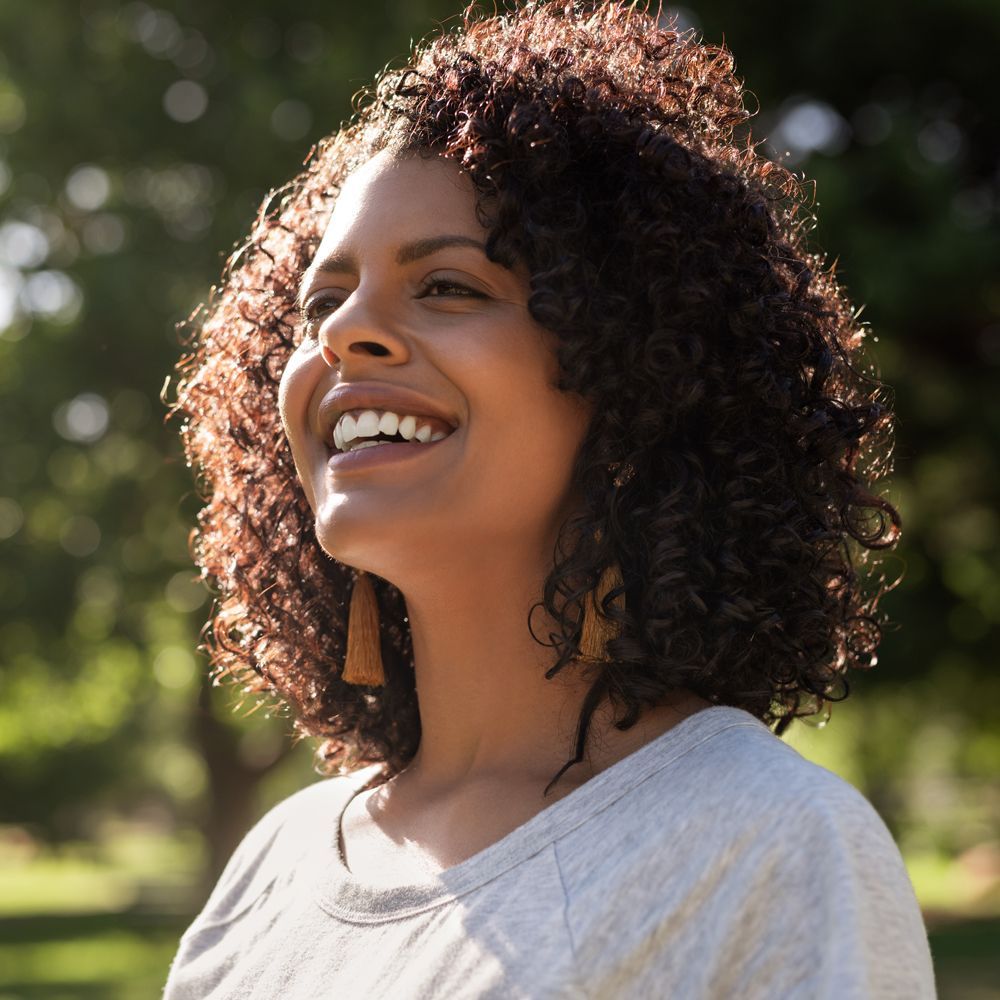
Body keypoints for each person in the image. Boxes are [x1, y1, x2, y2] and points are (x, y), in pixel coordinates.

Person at [162, 2, 937, 996]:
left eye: (446, 286)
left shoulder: (764, 841)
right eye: (322, 301)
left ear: (629, 381)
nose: (345, 334)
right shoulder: (274, 870)